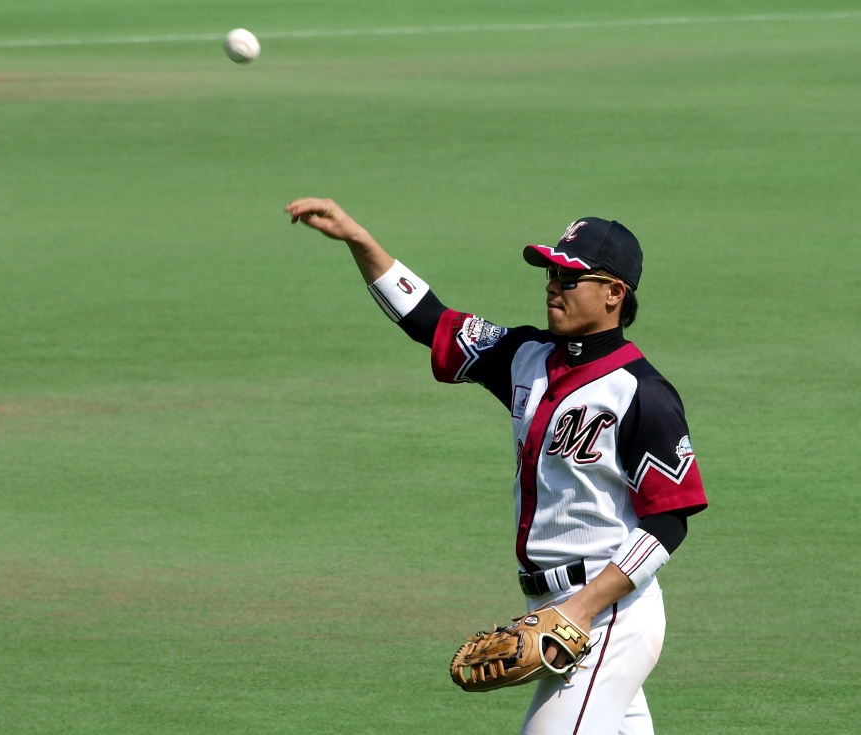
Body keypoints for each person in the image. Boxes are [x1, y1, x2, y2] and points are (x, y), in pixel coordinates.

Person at [284, 198, 708, 735]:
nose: (553, 284)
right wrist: (358, 240)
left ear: (614, 293)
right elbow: (429, 320)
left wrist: (581, 609)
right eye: (552, 272)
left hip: (608, 613)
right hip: (555, 606)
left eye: (570, 277)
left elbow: (671, 518)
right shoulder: (524, 356)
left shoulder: (642, 392)